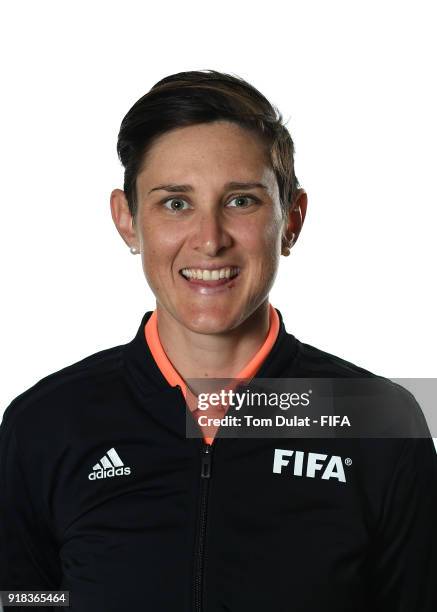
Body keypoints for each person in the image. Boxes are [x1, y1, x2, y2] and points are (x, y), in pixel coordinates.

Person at [0, 69, 436, 612]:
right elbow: (22, 602)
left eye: (242, 201)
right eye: (175, 203)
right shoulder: (47, 422)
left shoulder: (376, 419)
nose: (210, 240)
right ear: (128, 220)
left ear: (292, 219)